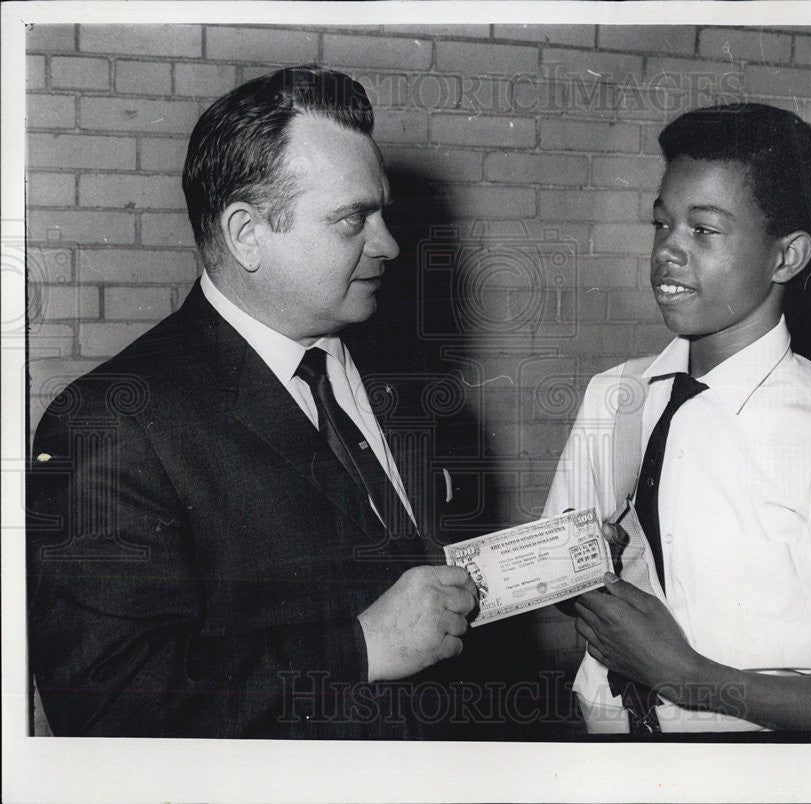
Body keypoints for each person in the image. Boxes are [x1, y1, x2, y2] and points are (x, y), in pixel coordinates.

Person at [27, 66, 481, 739]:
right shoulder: (110, 421)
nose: (388, 244)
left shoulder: (403, 387)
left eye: (382, 211)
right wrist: (358, 647)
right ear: (246, 234)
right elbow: (106, 707)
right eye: (353, 219)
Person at [544, 103, 811, 733]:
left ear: (786, 258)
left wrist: (685, 678)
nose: (668, 251)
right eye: (661, 223)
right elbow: (562, 577)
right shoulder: (613, 395)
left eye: (704, 230)